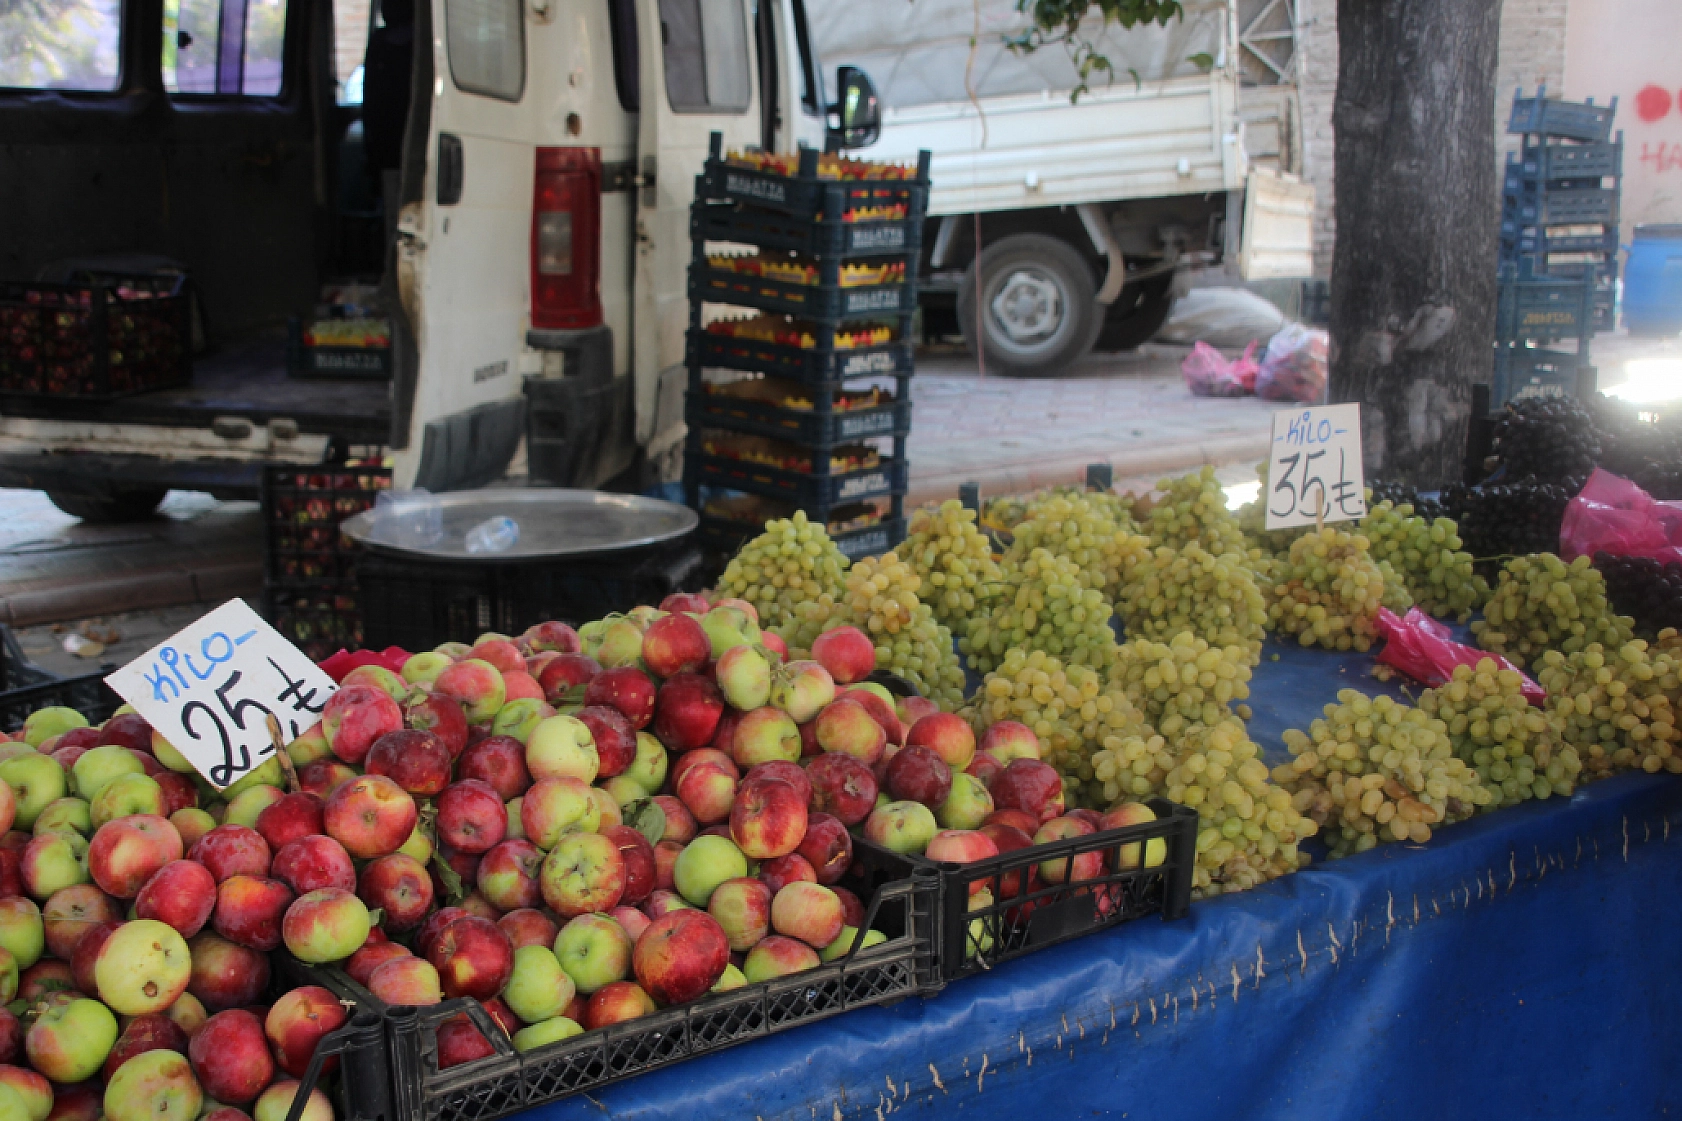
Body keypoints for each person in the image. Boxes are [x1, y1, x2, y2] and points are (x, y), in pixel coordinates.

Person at [361, 0, 414, 257]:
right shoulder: (418, 44)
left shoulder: (381, 44)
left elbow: (370, 101)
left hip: (390, 146)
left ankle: (394, 272)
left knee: (395, 217)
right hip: (408, 145)